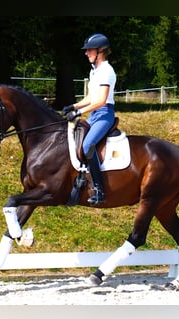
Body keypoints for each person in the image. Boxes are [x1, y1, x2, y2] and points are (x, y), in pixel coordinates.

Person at [62, 33, 117, 206]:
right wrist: (74, 106)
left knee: (87, 146)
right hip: (94, 115)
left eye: (89, 50)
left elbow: (101, 100)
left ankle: (99, 190)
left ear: (100, 51)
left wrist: (79, 113)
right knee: (75, 140)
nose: (86, 53)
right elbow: (91, 97)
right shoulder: (95, 71)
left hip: (105, 114)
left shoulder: (107, 71)